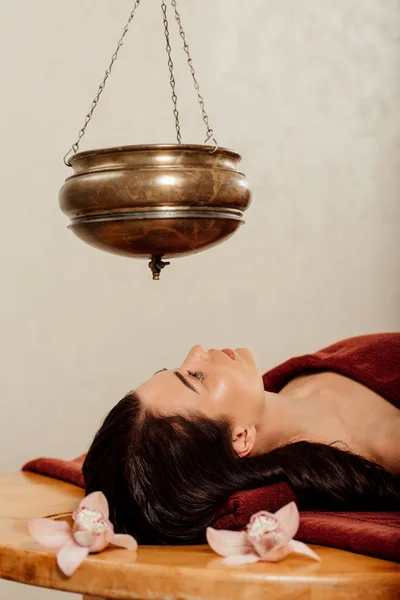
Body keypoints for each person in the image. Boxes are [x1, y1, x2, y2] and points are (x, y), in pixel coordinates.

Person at [83, 334, 400, 545]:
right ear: (240, 438)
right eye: (195, 377)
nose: (196, 352)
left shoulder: (279, 393)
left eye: (173, 369)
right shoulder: (386, 440)